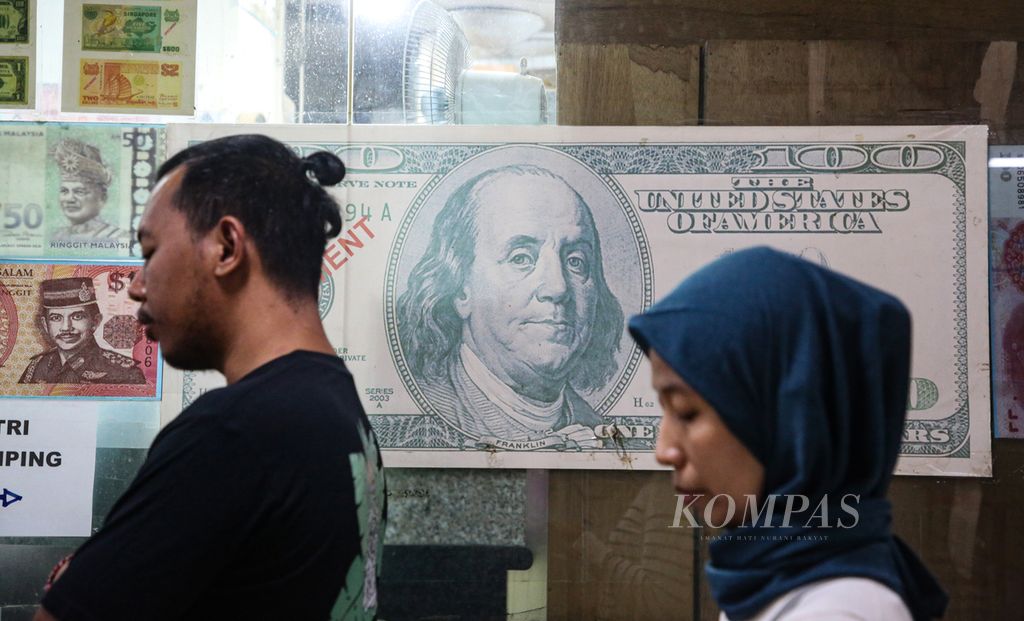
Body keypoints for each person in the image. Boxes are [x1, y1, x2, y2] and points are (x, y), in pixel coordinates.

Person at [35, 135, 386, 621]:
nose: (136, 285)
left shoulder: (236, 431)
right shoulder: (333, 403)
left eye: (151, 250)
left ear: (225, 246)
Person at [628, 247, 948, 621]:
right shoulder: (775, 575)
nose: (664, 450)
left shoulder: (836, 612)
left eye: (686, 411)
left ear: (792, 419)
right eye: (664, 411)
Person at [397, 164, 624, 447]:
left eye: (576, 261)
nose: (558, 288)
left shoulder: (602, 432)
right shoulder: (427, 420)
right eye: (521, 258)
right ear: (460, 290)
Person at [18, 277, 145, 384]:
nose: (66, 327)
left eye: (77, 316)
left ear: (95, 322)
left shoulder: (125, 373)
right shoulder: (37, 367)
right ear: (45, 325)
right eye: (56, 318)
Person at [51, 138, 130, 241]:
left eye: (79, 191)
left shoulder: (119, 237)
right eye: (64, 191)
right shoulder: (58, 236)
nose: (70, 199)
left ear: (103, 197)